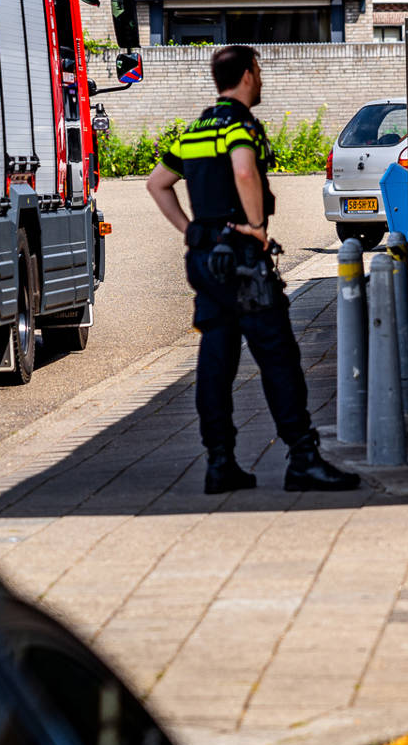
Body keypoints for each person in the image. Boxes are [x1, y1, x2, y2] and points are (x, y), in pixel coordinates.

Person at [146, 45, 360, 495]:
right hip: (242, 260)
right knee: (278, 356)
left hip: (205, 260)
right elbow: (244, 172)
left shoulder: (195, 128)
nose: (260, 79)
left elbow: (157, 183)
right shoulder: (239, 124)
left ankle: (219, 464)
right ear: (246, 75)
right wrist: (257, 228)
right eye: (258, 71)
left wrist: (191, 229)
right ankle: (303, 458)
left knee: (216, 360)